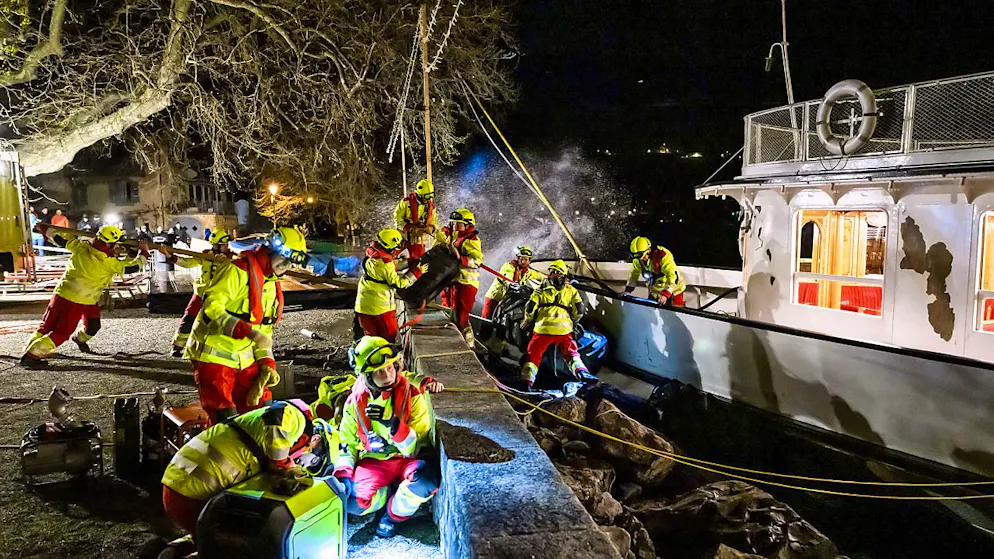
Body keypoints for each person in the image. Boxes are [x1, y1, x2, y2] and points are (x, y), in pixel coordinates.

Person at [184, 227, 308, 424]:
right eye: (284, 258)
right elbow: (211, 310)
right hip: (212, 357)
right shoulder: (236, 271)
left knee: (265, 413)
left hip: (244, 359)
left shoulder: (271, 284)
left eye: (290, 262)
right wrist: (245, 330)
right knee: (225, 421)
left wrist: (267, 363)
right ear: (270, 251)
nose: (286, 265)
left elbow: (264, 332)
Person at [333, 336, 442, 538]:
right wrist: (343, 475)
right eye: (379, 371)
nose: (388, 375)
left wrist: (393, 425)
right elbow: (346, 443)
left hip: (407, 459)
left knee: (426, 481)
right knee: (351, 503)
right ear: (366, 376)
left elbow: (415, 448)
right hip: (376, 461)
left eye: (390, 367)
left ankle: (392, 516)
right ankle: (384, 494)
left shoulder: (412, 394)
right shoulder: (354, 403)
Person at [161, 399, 317, 537]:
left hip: (174, 484)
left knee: (209, 542)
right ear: (307, 439)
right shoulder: (296, 417)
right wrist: (285, 464)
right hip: (194, 496)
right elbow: (279, 414)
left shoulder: (251, 428)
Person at [21, 225, 149, 367]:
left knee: (51, 326)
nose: (118, 248)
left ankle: (34, 348)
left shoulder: (81, 247)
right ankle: (32, 355)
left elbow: (59, 240)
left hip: (64, 293)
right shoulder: (108, 262)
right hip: (79, 300)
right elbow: (131, 267)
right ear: (108, 244)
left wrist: (45, 229)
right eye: (116, 245)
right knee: (62, 332)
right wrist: (144, 253)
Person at [519, 260, 588, 390]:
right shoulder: (571, 290)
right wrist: (573, 322)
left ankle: (526, 384)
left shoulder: (541, 289)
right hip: (564, 331)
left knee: (533, 356)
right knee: (571, 354)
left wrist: (528, 321)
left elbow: (530, 307)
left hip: (543, 330)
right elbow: (579, 310)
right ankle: (584, 375)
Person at [165, 231, 234, 357]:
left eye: (226, 244)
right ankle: (178, 346)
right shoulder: (206, 255)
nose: (226, 247)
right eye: (223, 245)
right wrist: (171, 257)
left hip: (221, 295)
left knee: (222, 322)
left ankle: (221, 349)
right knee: (189, 317)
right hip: (201, 293)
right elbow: (188, 262)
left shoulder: (233, 258)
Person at [354, 229, 428, 343]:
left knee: (370, 340)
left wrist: (408, 263)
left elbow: (388, 268)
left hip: (363, 307)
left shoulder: (372, 256)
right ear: (390, 247)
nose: (396, 251)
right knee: (388, 337)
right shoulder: (385, 264)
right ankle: (388, 359)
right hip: (381, 310)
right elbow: (399, 283)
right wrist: (417, 272)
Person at [435, 208, 483, 345]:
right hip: (454, 281)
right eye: (454, 223)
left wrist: (460, 257)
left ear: (467, 225)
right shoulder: (455, 235)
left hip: (466, 283)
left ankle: (469, 345)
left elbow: (477, 261)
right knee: (452, 312)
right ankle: (454, 340)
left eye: (458, 223)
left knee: (462, 317)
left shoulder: (472, 241)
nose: (455, 226)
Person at [482, 245, 544, 319]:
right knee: (487, 318)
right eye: (522, 259)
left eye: (526, 259)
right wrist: (512, 284)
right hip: (496, 296)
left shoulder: (528, 272)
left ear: (529, 260)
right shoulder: (509, 266)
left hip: (509, 299)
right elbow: (508, 276)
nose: (524, 261)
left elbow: (540, 276)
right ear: (517, 258)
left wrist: (550, 276)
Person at [625, 236, 686, 306]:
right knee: (650, 311)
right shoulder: (637, 259)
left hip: (674, 290)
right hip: (655, 291)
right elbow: (633, 275)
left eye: (641, 255)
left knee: (676, 311)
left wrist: (666, 294)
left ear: (648, 250)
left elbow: (672, 276)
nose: (641, 259)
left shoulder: (663, 255)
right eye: (636, 256)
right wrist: (627, 291)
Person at [393, 179, 437, 260]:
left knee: (418, 263)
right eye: (426, 196)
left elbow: (434, 223)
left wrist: (430, 229)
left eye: (430, 196)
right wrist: (409, 228)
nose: (428, 199)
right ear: (419, 194)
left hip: (420, 243)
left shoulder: (431, 208)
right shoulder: (406, 203)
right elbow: (397, 218)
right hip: (403, 240)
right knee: (400, 262)